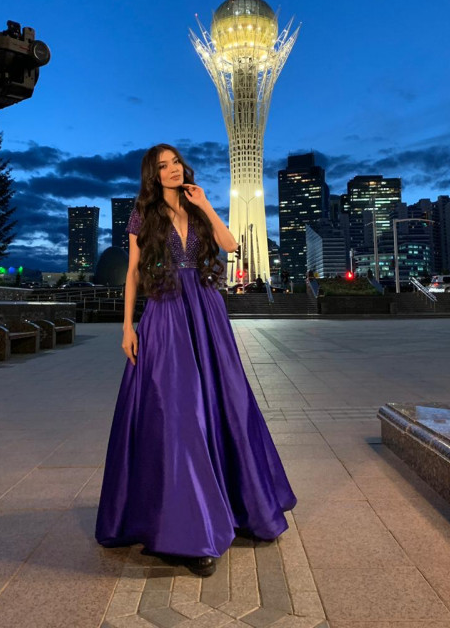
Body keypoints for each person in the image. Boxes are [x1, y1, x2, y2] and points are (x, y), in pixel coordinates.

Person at [95, 144, 296, 577]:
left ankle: (237, 506)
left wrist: (204, 203)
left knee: (227, 404)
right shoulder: (142, 214)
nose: (172, 170)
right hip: (166, 312)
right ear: (152, 175)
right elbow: (133, 272)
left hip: (206, 311)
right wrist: (127, 327)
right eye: (162, 166)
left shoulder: (197, 206)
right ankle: (189, 529)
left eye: (175, 163)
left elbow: (230, 245)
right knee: (179, 414)